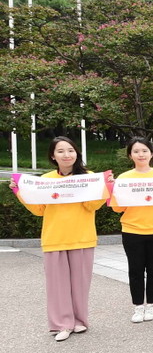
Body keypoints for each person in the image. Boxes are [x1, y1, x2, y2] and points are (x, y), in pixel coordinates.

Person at [11, 137, 106, 342]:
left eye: (70, 150)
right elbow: (39, 209)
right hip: (54, 238)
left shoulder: (89, 177)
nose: (66, 155)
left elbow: (92, 206)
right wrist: (19, 191)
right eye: (60, 151)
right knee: (57, 285)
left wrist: (106, 188)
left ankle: (79, 321)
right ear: (53, 156)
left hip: (82, 237)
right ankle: (62, 324)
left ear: (77, 153)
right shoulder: (45, 180)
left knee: (80, 283)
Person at [112, 137, 153, 323]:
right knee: (135, 270)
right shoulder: (124, 178)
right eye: (136, 151)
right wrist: (113, 190)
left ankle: (151, 305)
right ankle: (138, 306)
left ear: (151, 153)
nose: (140, 154)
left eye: (144, 151)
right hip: (132, 230)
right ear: (130, 155)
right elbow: (117, 208)